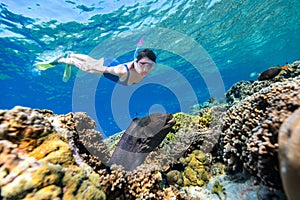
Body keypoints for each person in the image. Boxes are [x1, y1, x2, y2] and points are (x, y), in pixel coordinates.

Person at [36, 48, 156, 85]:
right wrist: (88, 68)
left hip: (112, 63)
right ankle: (62, 60)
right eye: (143, 65)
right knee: (88, 66)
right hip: (110, 68)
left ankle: (72, 54)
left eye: (150, 66)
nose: (146, 69)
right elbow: (104, 69)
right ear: (137, 62)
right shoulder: (122, 71)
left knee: (92, 61)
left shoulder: (140, 65)